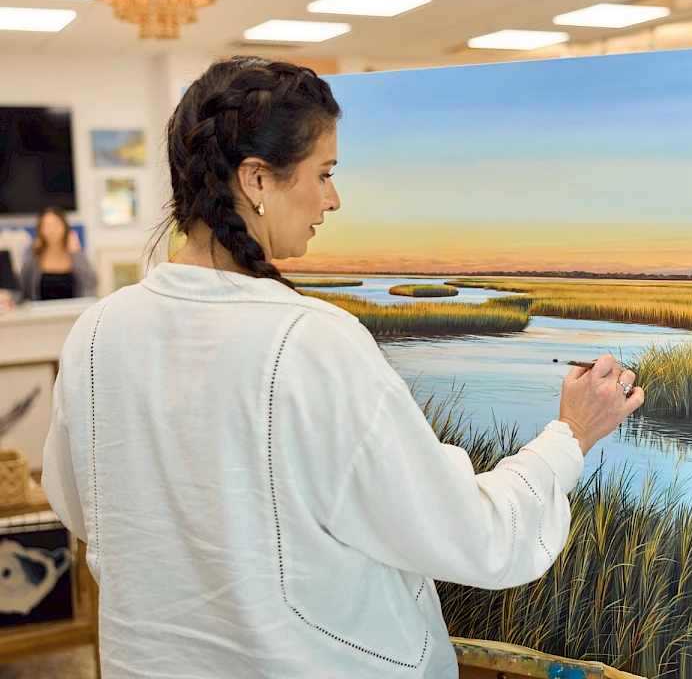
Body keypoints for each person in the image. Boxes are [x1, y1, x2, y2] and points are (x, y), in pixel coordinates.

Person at [41, 56, 645, 678]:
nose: (333, 199)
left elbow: (83, 506)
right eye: (323, 173)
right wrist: (569, 437)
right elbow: (478, 536)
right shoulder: (311, 342)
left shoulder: (98, 331)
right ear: (256, 180)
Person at [18, 206, 97, 301]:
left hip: (73, 310)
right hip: (40, 312)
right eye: (46, 226)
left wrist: (76, 253)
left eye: (55, 225)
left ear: (64, 226)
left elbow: (91, 282)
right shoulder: (34, 255)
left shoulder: (75, 253)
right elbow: (21, 287)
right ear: (40, 229)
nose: (51, 230)